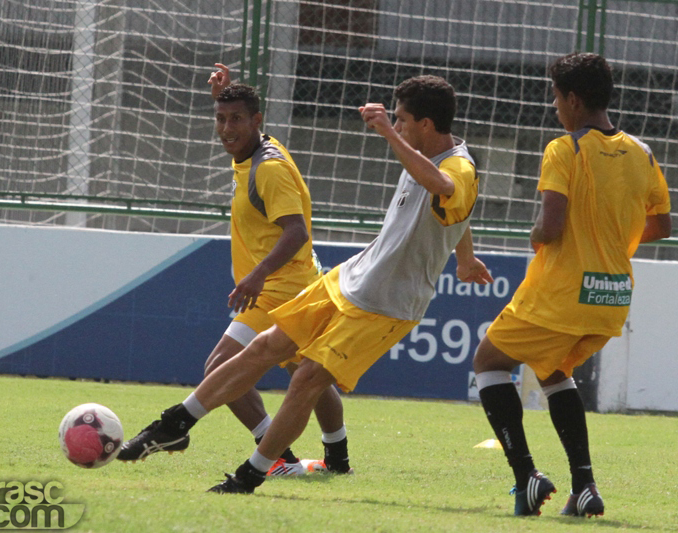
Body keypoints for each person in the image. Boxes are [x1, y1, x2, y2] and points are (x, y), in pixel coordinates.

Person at [135, 74, 491, 494]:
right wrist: (465, 259)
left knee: (306, 379)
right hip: (351, 276)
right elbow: (454, 210)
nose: (398, 125)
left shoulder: (457, 166)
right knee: (266, 347)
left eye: (403, 120)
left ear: (425, 125)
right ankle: (174, 423)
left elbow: (446, 188)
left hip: (387, 303)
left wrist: (390, 135)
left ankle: (250, 476)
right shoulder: (425, 154)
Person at [118, 64, 350, 476]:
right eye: (221, 119)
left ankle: (275, 456)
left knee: (220, 369)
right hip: (295, 284)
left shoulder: (270, 169)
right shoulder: (254, 149)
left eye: (236, 119)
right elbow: (241, 126)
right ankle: (338, 461)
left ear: (257, 122)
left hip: (282, 290)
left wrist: (258, 273)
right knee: (308, 375)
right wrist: (226, 96)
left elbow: (296, 231)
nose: (226, 128)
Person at [472, 52, 672, 517]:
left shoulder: (565, 149)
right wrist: (611, 235)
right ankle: (584, 487)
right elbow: (661, 223)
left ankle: (525, 478)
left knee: (487, 362)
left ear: (575, 99)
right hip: (610, 297)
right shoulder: (641, 152)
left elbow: (551, 226)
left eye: (557, 96)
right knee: (553, 370)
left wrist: (535, 233)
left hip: (560, 294)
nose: (556, 106)